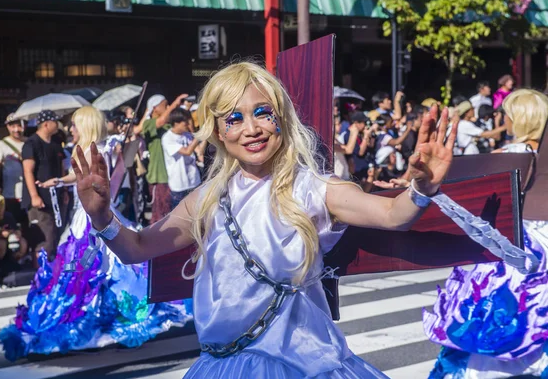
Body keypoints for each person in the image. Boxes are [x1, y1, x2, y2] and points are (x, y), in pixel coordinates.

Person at [71, 61, 480, 378]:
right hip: (223, 365)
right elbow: (136, 248)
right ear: (217, 131)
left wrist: (421, 188)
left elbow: (392, 215)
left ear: (281, 117)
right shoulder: (208, 198)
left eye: (262, 113)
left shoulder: (313, 189)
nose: (251, 129)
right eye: (234, 118)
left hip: (305, 363)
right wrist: (102, 217)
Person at [0, 106, 192, 361]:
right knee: (105, 270)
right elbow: (114, 176)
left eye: (75, 124)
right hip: (105, 214)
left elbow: (94, 181)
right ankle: (107, 315)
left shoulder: (94, 150)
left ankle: (90, 320)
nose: (71, 129)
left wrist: (61, 181)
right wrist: (59, 181)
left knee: (87, 272)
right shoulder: (106, 148)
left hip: (90, 218)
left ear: (86, 126)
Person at [425, 89, 548, 379]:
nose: (502, 119)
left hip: (510, 252)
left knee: (489, 333)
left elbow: (466, 208)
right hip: (543, 250)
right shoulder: (543, 162)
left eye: (506, 114)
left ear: (519, 118)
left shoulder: (504, 157)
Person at [134, 93, 188, 224]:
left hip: (174, 176)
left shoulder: (169, 125)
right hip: (159, 176)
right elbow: (160, 121)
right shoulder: (148, 124)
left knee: (174, 213)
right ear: (155, 108)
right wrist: (176, 102)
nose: (168, 107)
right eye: (165, 105)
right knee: (160, 214)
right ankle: (156, 242)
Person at [21, 110, 65, 264]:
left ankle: (53, 267)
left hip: (56, 197)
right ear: (46, 124)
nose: (58, 125)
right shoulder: (32, 143)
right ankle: (41, 272)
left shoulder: (56, 143)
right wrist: (34, 195)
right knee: (44, 238)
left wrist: (64, 189)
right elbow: (28, 170)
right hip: (40, 198)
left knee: (56, 235)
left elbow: (61, 168)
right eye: (55, 121)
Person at [161, 108, 201, 209]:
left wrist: (204, 136)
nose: (188, 125)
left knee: (197, 214)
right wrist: (200, 136)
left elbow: (199, 151)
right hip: (179, 185)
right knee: (180, 218)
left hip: (194, 181)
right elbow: (187, 151)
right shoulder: (167, 138)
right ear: (176, 123)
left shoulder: (187, 135)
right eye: (185, 123)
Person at [0, 114, 26, 231]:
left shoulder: (28, 143)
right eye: (13, 126)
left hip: (26, 194)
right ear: (8, 127)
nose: (16, 130)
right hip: (9, 193)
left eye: (19, 126)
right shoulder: (2, 145)